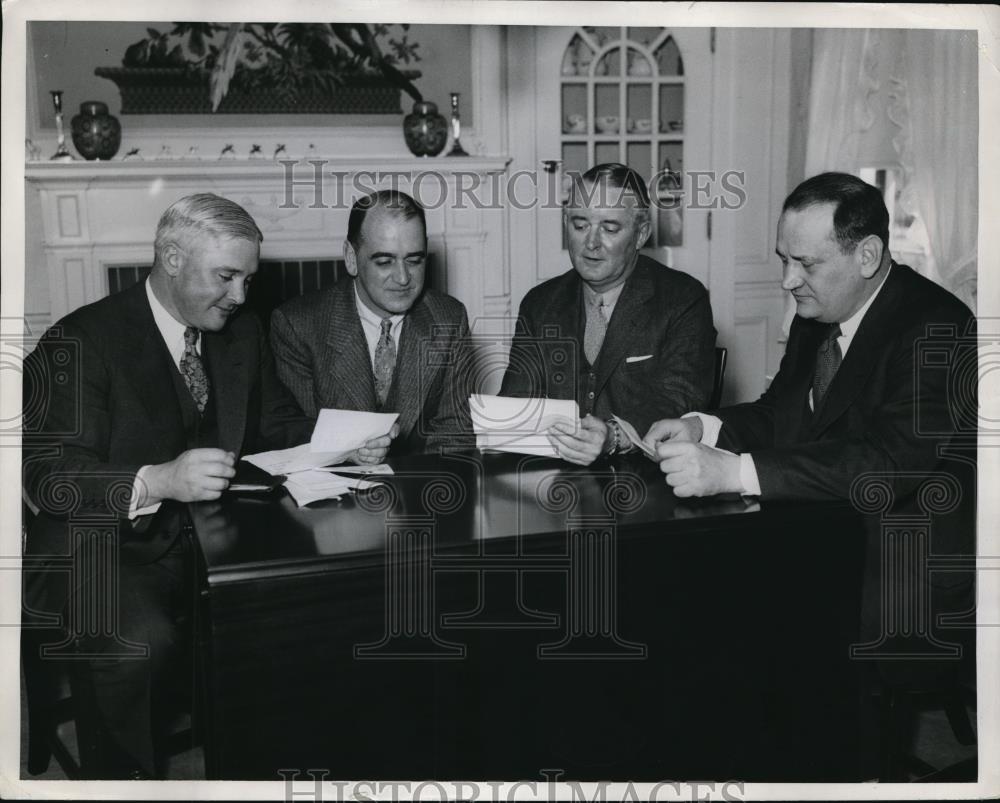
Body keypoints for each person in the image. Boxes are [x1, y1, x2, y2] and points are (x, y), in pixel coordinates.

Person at [22, 193, 315, 778]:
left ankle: (259, 771)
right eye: (226, 276)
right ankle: (123, 784)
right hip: (103, 551)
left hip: (207, 543)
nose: (240, 296)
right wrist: (156, 479)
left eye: (247, 279)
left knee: (308, 609)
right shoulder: (79, 340)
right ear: (172, 258)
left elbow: (275, 425)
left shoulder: (242, 332)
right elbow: (45, 476)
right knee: (141, 645)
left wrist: (341, 437)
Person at [644, 172, 975, 653]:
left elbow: (888, 463)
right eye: (784, 260)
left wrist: (734, 472)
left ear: (867, 256)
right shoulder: (818, 310)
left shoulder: (938, 327)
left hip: (903, 559)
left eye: (805, 264)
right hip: (825, 527)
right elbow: (781, 411)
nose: (787, 280)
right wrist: (704, 426)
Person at [500, 163, 716, 465]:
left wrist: (615, 436)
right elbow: (516, 404)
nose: (591, 242)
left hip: (648, 482)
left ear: (641, 235)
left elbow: (681, 400)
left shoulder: (683, 299)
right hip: (553, 482)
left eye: (610, 228)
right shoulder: (539, 303)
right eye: (579, 225)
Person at [270, 190, 473, 457]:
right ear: (351, 258)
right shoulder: (297, 325)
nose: (403, 278)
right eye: (384, 261)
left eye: (414, 260)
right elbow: (297, 438)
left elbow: (454, 439)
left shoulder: (449, 319)